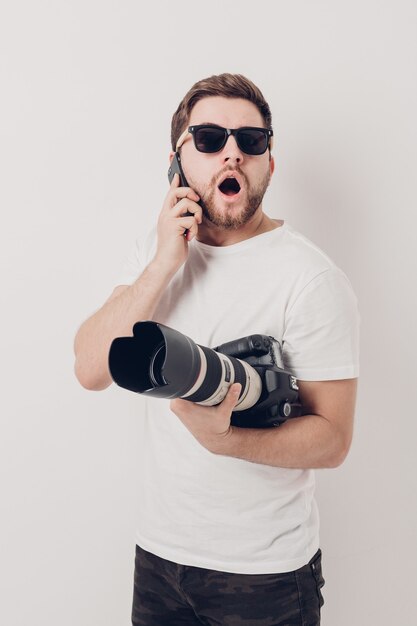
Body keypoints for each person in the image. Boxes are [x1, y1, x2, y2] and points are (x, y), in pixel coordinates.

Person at [74, 73, 359, 625]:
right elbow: (90, 369)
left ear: (269, 163)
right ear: (177, 162)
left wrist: (226, 441)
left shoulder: (310, 277)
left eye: (251, 142)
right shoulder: (155, 254)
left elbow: (333, 439)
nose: (232, 153)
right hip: (159, 559)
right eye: (209, 139)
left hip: (266, 575)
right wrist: (161, 264)